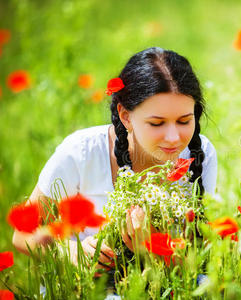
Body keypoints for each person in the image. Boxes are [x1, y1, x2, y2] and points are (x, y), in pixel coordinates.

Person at [12, 47, 217, 272]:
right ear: (125, 116)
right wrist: (71, 252)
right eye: (157, 123)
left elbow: (198, 258)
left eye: (184, 121)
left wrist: (150, 249)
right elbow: (22, 235)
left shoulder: (200, 154)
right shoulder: (82, 152)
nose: (173, 138)